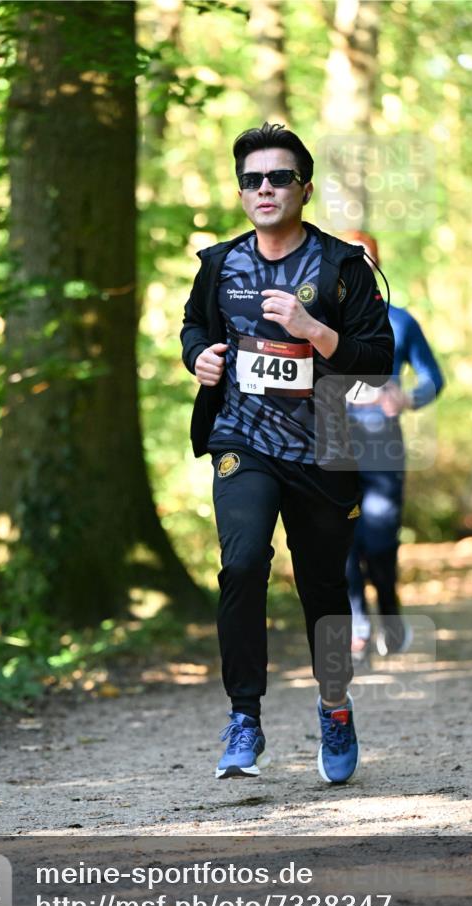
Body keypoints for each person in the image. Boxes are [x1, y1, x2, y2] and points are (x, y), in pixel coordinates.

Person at [180, 123, 394, 785]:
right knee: (241, 562)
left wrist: (315, 333)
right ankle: (244, 715)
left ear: (303, 187)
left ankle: (333, 706)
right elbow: (193, 326)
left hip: (324, 451)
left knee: (323, 590)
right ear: (241, 192)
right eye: (252, 179)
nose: (264, 188)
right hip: (241, 440)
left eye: (278, 177)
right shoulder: (221, 265)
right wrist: (200, 356)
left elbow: (378, 362)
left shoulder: (340, 267)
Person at [344, 232, 445, 665]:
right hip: (333, 448)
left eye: (366, 261)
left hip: (384, 449)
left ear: (377, 267)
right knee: (340, 539)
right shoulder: (320, 322)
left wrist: (406, 397)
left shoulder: (401, 322)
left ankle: (388, 603)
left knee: (379, 540)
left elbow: (433, 377)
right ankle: (358, 625)